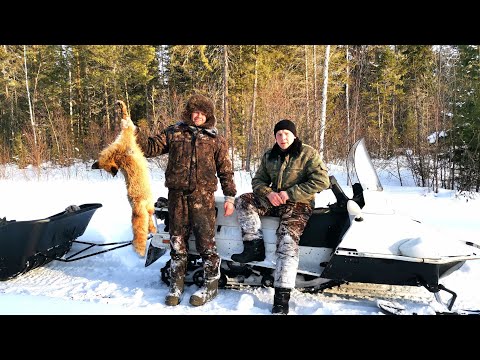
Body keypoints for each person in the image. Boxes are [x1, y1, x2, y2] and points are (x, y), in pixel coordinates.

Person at [137, 94, 236, 307]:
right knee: (177, 242)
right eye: (195, 112)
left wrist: (230, 196)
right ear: (189, 113)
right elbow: (150, 148)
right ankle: (176, 283)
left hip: (203, 198)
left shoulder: (215, 139)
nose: (198, 116)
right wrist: (134, 133)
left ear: (208, 115)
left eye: (202, 113)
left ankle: (211, 284)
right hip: (177, 197)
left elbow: (226, 170)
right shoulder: (174, 132)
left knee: (206, 243)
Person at [232, 119, 330, 314]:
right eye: (279, 134)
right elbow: (258, 180)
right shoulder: (270, 155)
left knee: (286, 241)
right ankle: (254, 246)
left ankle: (281, 298)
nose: (283, 137)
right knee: (243, 201)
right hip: (275, 200)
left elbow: (322, 180)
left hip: (299, 203)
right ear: (275, 136)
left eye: (286, 133)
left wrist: (290, 193)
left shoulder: (307, 153)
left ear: (294, 135)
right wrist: (269, 193)